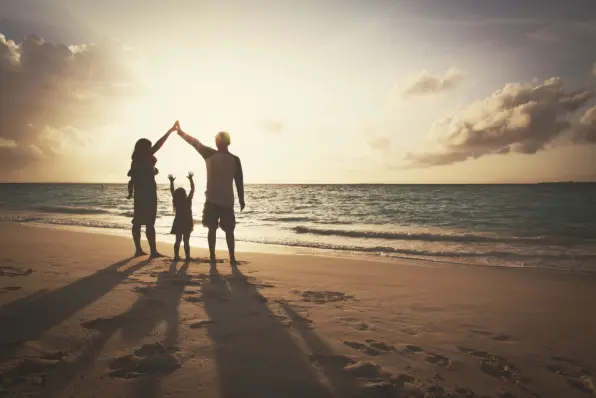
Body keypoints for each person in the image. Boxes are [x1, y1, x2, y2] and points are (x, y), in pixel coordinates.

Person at [176, 123, 245, 265]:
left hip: (224, 201)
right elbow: (194, 143)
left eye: (218, 139)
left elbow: (239, 181)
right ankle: (214, 256)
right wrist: (181, 132)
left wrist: (242, 199)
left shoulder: (233, 159)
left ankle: (230, 257)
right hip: (214, 200)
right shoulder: (211, 154)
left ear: (224, 142)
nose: (216, 142)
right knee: (214, 229)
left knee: (227, 230)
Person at [128, 121, 178, 258]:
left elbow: (132, 178)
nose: (151, 149)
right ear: (145, 148)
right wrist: (170, 130)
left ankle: (138, 250)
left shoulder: (136, 160)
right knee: (149, 222)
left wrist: (130, 192)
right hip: (148, 193)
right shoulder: (144, 156)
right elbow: (159, 144)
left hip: (140, 194)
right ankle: (153, 251)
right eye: (149, 147)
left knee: (138, 221)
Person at [169, 172, 195, 262]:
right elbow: (192, 190)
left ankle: (176, 257)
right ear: (184, 194)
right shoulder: (187, 200)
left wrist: (171, 182)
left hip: (178, 222)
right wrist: (191, 179)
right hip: (187, 222)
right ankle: (187, 257)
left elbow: (172, 191)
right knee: (186, 241)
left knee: (178, 240)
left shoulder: (176, 201)